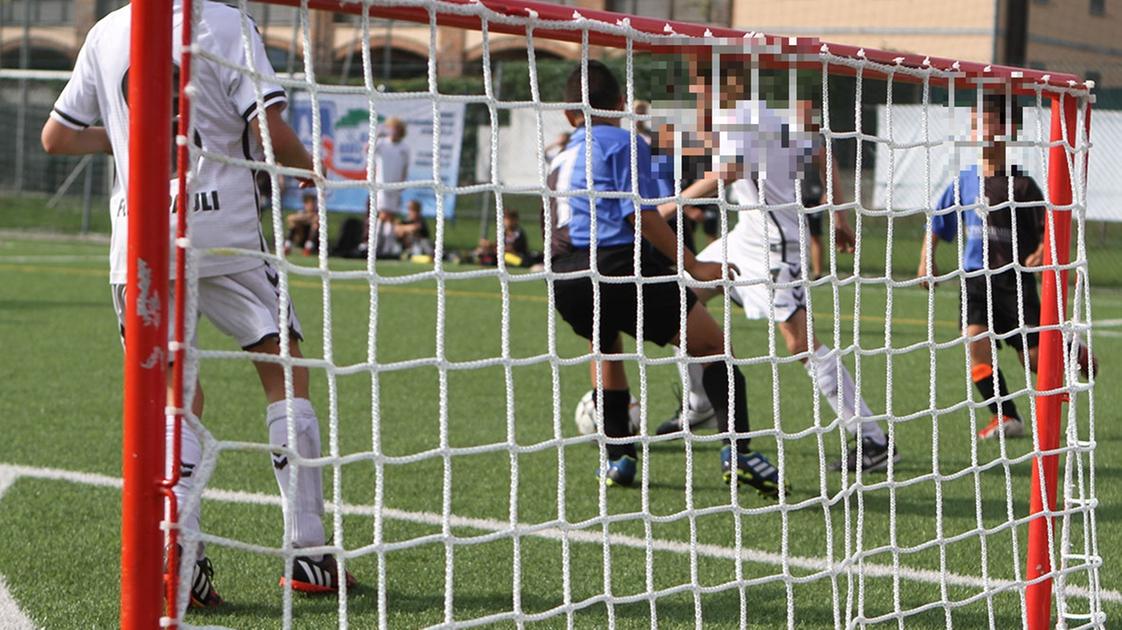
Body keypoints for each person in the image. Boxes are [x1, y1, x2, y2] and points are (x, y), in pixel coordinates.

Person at [40, 0, 354, 605]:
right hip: (229, 234)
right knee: (283, 370)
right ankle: (309, 554)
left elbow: (56, 137)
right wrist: (318, 175)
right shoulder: (228, 23)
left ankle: (181, 559)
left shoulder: (107, 31)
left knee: (175, 398)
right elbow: (268, 132)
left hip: (143, 241)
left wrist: (135, 138)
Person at [547, 60, 787, 498]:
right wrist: (693, 265)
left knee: (605, 348)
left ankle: (618, 457)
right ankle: (739, 453)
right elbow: (638, 215)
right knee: (715, 346)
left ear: (568, 115)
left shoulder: (558, 156)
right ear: (621, 104)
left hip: (565, 277)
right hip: (618, 263)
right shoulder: (625, 141)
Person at [656, 59, 899, 474]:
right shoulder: (768, 114)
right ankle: (700, 406)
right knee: (678, 303)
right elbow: (823, 150)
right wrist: (837, 213)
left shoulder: (740, 118)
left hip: (776, 244)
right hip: (745, 236)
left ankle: (873, 438)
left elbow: (729, 170)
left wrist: (668, 207)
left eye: (700, 90)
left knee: (800, 343)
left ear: (724, 86)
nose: (698, 99)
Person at [917, 93, 1048, 440]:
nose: (983, 130)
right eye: (977, 123)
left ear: (1010, 130)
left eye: (991, 122)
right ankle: (1006, 415)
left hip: (1014, 282)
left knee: (1034, 360)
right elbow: (937, 222)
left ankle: (1068, 349)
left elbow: (1049, 228)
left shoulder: (1023, 186)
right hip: (975, 279)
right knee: (974, 340)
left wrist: (1042, 252)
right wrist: (926, 259)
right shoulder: (964, 182)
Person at [285, 191, 320, 256]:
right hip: (301, 236)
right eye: (309, 203)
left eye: (313, 203)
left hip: (313, 240)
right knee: (293, 224)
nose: (312, 205)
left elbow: (316, 219)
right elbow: (289, 218)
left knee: (315, 225)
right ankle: (287, 246)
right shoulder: (301, 212)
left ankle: (308, 248)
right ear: (305, 204)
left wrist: (305, 218)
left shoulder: (318, 212)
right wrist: (307, 217)